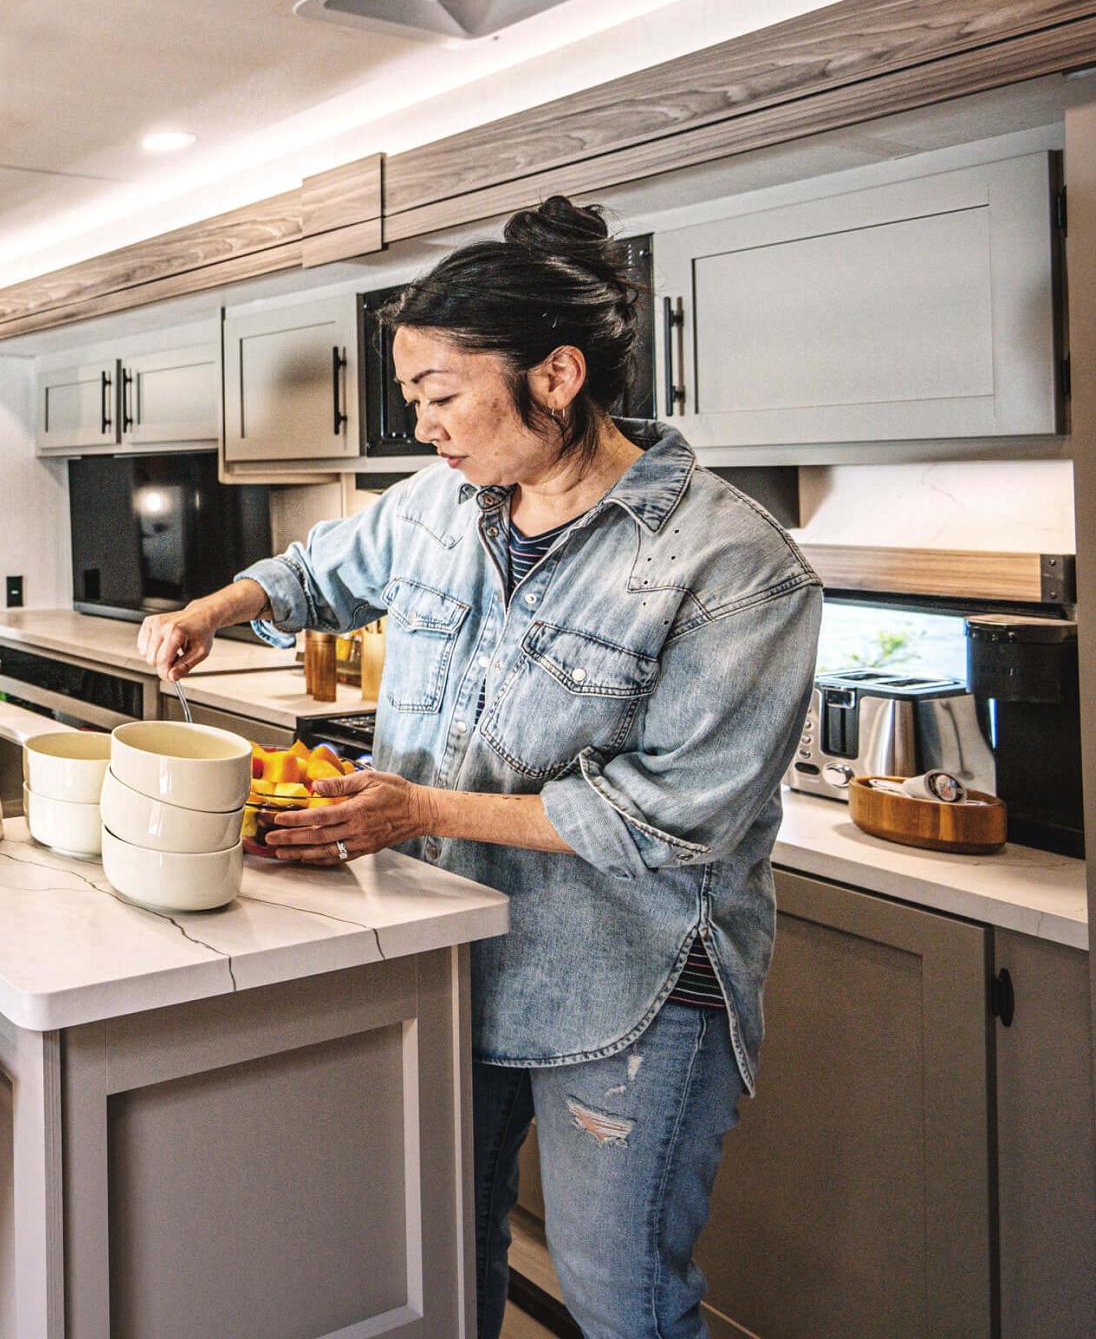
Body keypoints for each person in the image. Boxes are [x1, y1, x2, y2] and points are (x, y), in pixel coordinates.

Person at [136, 198, 819, 1339]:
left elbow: (670, 821)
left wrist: (417, 810)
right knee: (443, 1253)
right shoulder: (440, 505)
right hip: (451, 950)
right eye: (413, 401)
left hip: (630, 983)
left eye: (442, 396)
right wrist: (215, 606)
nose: (425, 428)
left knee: (623, 1303)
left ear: (555, 376)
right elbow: (314, 572)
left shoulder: (733, 564)